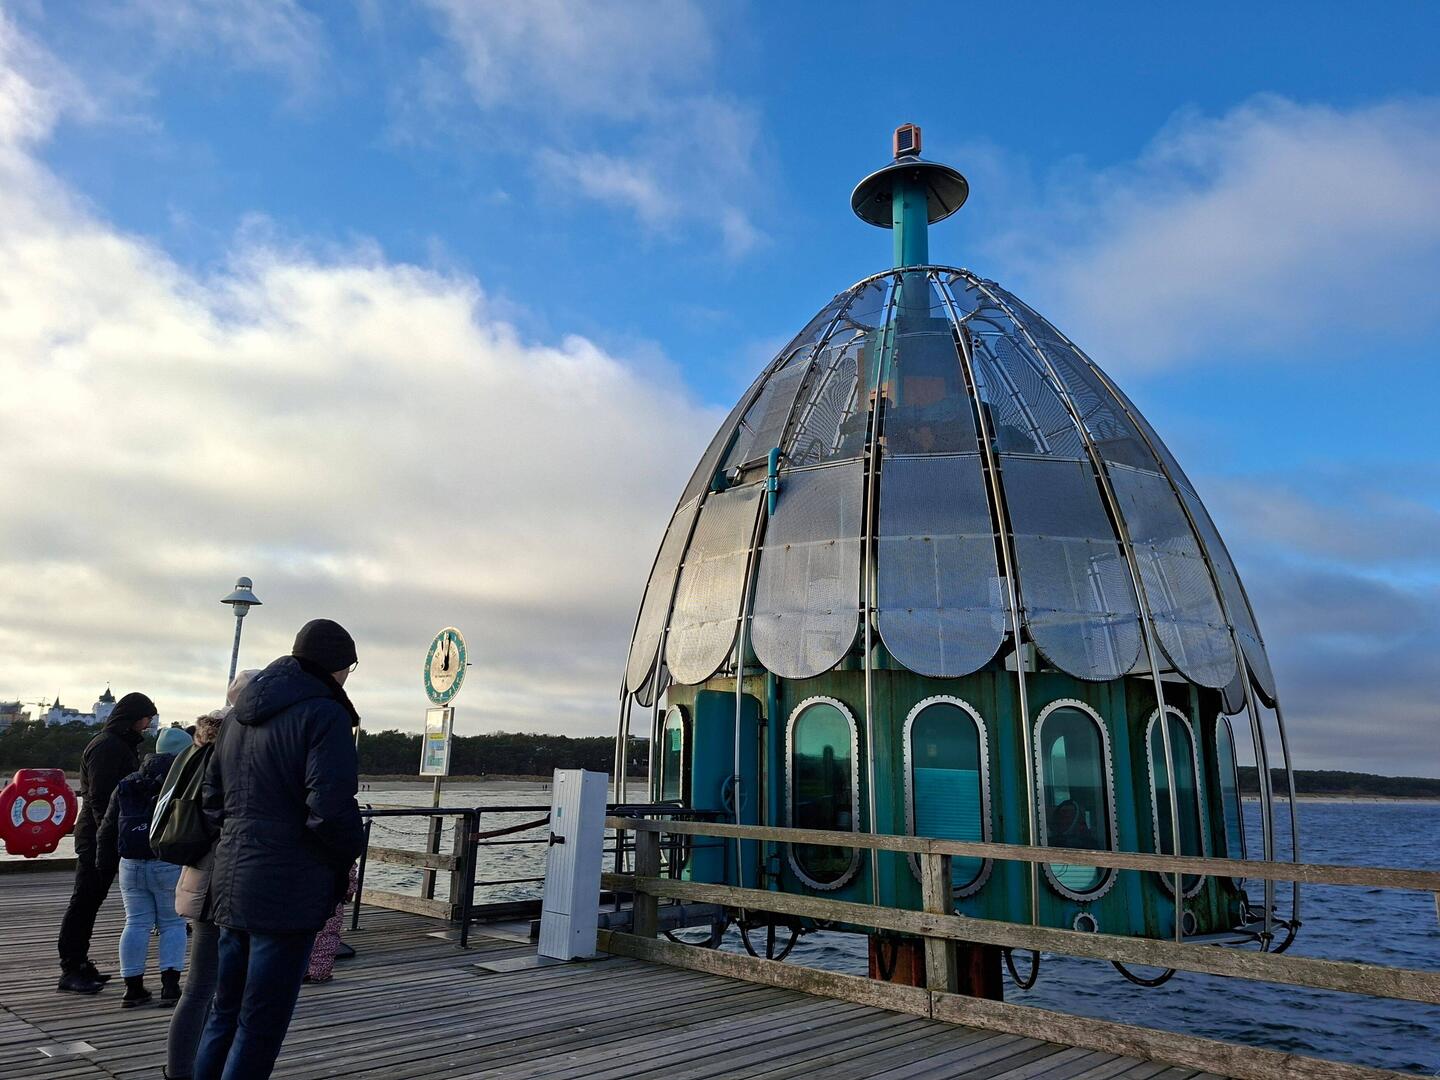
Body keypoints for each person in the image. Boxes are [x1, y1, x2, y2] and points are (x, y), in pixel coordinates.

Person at [193, 620, 365, 1080]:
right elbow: (329, 807)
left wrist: (237, 843)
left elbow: (212, 800)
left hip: (231, 880)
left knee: (223, 1011)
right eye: (349, 668)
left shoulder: (235, 719)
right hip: (287, 888)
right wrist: (347, 852)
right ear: (336, 666)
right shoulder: (324, 713)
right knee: (260, 1024)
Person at [166, 673, 257, 1080]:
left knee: (203, 989)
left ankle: (188, 1068)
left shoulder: (196, 748)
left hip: (197, 874)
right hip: (219, 884)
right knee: (206, 990)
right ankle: (185, 1071)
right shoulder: (232, 749)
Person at [56, 691, 158, 994]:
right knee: (84, 900)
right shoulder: (107, 747)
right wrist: (108, 838)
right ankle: (71, 967)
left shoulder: (118, 744)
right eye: (147, 717)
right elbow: (101, 797)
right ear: (134, 716)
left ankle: (80, 962)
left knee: (91, 901)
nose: (148, 723)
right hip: (96, 836)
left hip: (104, 832)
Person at [98, 726, 193, 1006]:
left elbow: (108, 826)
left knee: (136, 923)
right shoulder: (183, 781)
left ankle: (133, 988)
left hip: (130, 863)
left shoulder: (129, 781)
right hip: (167, 861)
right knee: (173, 924)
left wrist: (103, 862)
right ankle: (170, 986)